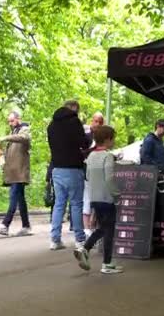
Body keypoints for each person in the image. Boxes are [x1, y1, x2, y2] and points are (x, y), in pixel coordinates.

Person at [73, 125, 123, 274]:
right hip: (107, 198)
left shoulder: (90, 156)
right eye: (113, 138)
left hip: (94, 198)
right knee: (109, 230)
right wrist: (116, 193)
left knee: (103, 228)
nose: (114, 141)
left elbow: (87, 176)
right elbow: (109, 178)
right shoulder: (107, 156)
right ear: (107, 139)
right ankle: (106, 263)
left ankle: (86, 250)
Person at [47, 100, 89, 250]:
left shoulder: (51, 125)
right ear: (73, 108)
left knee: (59, 205)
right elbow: (84, 143)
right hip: (73, 168)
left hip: (57, 169)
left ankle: (55, 240)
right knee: (76, 204)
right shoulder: (74, 122)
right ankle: (80, 239)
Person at [0, 110, 32, 237]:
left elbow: (23, 139)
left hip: (20, 172)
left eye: (12, 120)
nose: (10, 123)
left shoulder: (24, 130)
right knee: (20, 200)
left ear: (18, 119)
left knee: (14, 197)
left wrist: (5, 138)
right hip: (13, 172)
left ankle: (5, 225)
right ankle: (26, 226)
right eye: (9, 121)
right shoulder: (13, 131)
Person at [83, 112, 104, 238]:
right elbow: (82, 152)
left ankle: (93, 226)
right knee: (87, 199)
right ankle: (86, 229)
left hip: (99, 171)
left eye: (99, 122)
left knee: (97, 199)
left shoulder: (103, 137)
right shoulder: (86, 135)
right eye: (95, 121)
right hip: (87, 171)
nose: (96, 124)